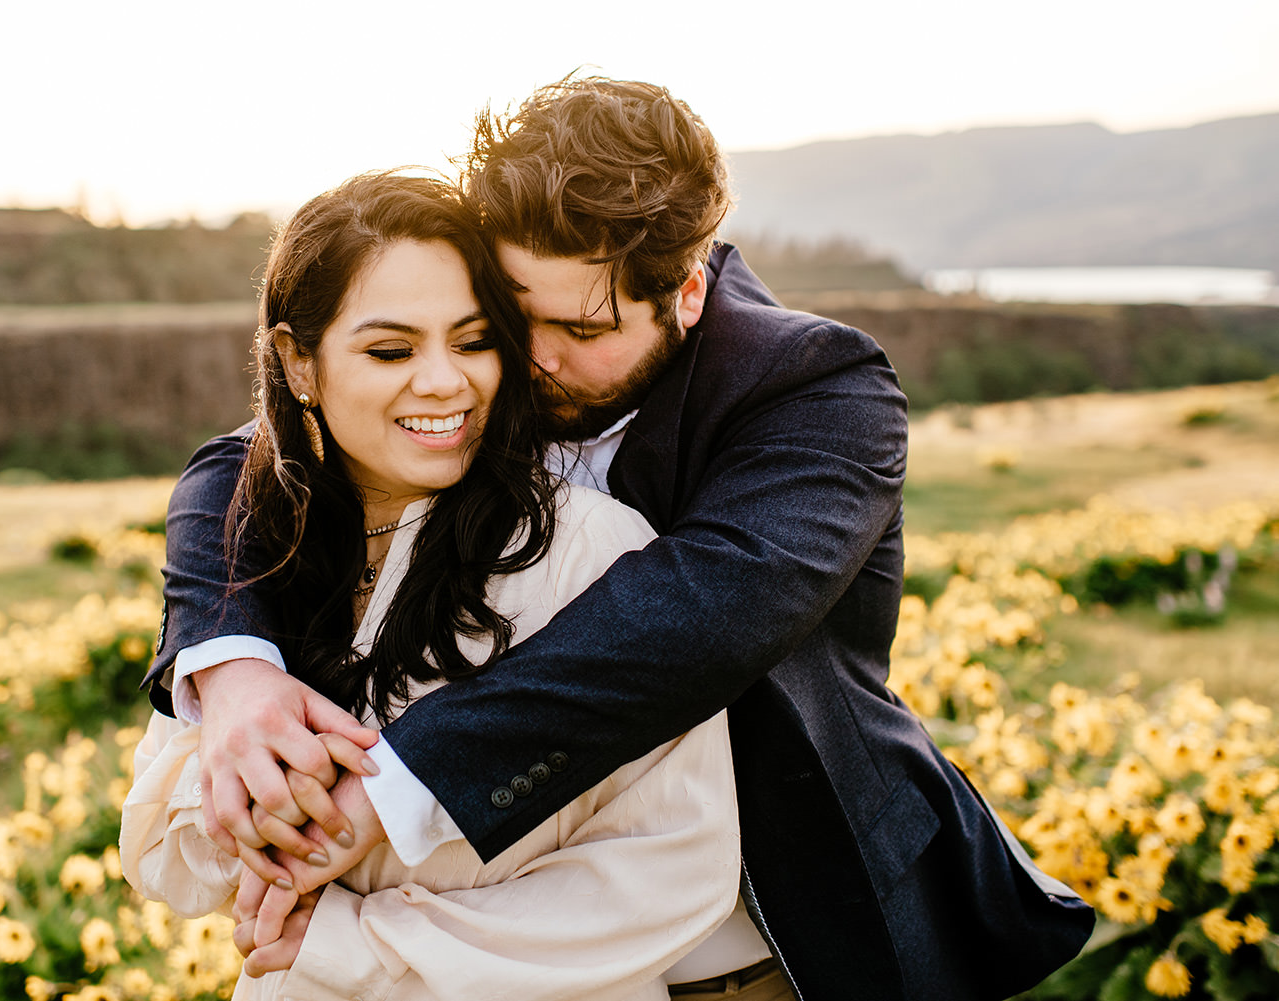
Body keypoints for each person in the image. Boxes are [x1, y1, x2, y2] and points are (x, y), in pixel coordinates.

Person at [145, 79, 1095, 1001]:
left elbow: (695, 619)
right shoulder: (488, 368)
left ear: (685, 294)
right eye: (511, 314)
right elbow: (259, 454)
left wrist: (388, 789)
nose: (533, 356)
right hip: (511, 938)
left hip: (774, 929)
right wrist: (232, 668)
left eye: (580, 326)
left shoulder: (818, 385)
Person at [121, 172, 742, 1001]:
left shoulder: (592, 549)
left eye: (475, 339)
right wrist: (251, 780)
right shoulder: (253, 555)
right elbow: (170, 857)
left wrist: (354, 940)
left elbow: (675, 870)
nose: (445, 381)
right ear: (298, 361)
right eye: (391, 350)